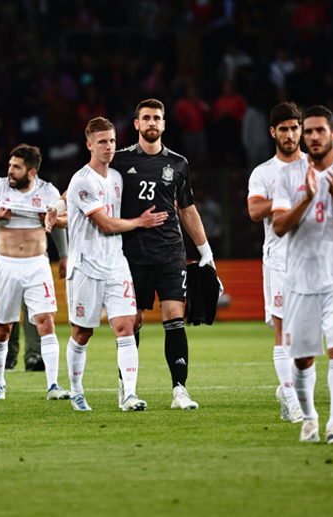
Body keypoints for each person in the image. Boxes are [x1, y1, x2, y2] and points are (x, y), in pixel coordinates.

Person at [48, 117, 168, 412]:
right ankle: (76, 391)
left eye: (112, 141)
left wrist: (59, 207)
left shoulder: (116, 176)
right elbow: (104, 224)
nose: (109, 146)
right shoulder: (82, 180)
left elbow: (68, 198)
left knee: (126, 326)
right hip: (85, 268)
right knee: (82, 333)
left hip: (116, 265)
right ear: (89, 145)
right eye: (102, 142)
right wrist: (140, 222)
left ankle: (129, 395)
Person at [272, 105, 333, 444]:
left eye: (320, 131)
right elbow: (279, 226)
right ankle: (310, 419)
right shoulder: (289, 176)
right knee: (302, 359)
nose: (314, 136)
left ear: (332, 134)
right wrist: (307, 199)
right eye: (309, 131)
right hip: (300, 281)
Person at [112, 98, 216, 410]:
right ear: (136, 124)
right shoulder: (119, 161)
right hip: (133, 254)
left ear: (164, 124)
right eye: (146, 118)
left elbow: (187, 209)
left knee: (174, 317)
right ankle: (126, 387)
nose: (152, 123)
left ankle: (179, 391)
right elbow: (89, 181)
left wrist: (205, 251)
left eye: (157, 118)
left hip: (171, 252)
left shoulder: (179, 163)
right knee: (134, 321)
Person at [0, 144, 69, 401]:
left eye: (17, 167)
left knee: (46, 321)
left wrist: (51, 218)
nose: (10, 171)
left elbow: (68, 219)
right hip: (6, 264)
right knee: (3, 328)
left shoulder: (48, 191)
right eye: (10, 165)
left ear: (32, 172)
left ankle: (53, 385)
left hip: (37, 264)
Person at [247, 102, 306, 423]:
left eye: (294, 127)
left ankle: (288, 390)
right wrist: (287, 200)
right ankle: (293, 400)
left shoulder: (315, 167)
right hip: (279, 259)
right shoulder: (264, 172)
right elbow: (255, 211)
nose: (289, 134)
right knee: (283, 331)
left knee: (306, 336)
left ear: (301, 129)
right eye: (283, 129)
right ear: (273, 132)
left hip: (312, 260)